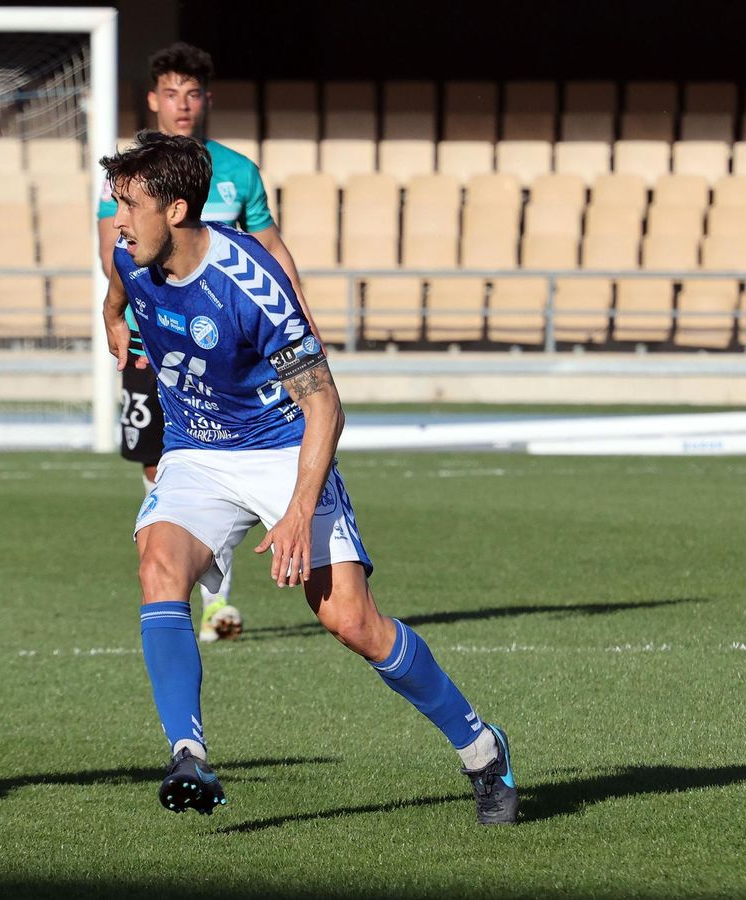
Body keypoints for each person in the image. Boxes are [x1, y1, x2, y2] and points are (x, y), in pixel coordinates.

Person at [101, 132, 516, 825]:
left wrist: (296, 511)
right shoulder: (129, 255)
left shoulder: (249, 284)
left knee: (350, 620)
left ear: (175, 210)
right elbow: (116, 289)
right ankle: (188, 753)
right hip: (197, 453)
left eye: (129, 204)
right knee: (157, 566)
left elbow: (325, 403)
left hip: (282, 447)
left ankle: (481, 748)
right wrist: (114, 319)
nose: (116, 220)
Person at [98, 42, 320, 643]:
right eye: (171, 93)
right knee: (158, 459)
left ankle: (215, 602)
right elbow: (115, 252)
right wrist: (116, 311)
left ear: (207, 101)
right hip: (154, 348)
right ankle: (186, 568)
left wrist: (300, 323)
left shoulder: (236, 171)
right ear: (153, 100)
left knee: (231, 444)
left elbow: (271, 251)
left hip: (229, 350)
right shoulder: (133, 177)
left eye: (193, 93)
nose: (183, 105)